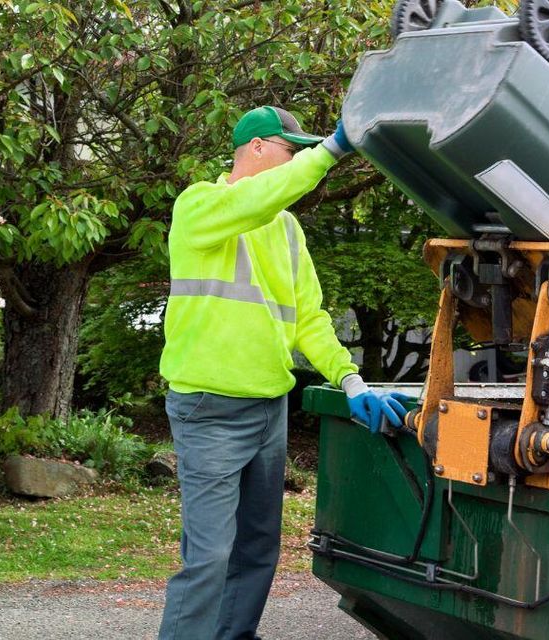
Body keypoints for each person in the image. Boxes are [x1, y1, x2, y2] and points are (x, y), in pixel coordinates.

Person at [158, 105, 409, 640]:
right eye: (290, 150)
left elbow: (309, 319)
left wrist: (350, 379)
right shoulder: (199, 206)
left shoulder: (288, 230)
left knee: (257, 549)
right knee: (209, 557)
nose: (296, 161)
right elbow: (255, 199)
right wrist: (331, 152)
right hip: (209, 409)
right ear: (256, 147)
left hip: (269, 409)